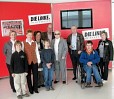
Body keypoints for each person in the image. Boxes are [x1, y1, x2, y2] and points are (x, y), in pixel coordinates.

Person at [22, 29, 41, 94]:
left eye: (31, 35)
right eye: (29, 35)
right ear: (26, 35)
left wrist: (38, 61)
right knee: (28, 76)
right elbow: (22, 53)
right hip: (27, 62)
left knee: (35, 75)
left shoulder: (34, 42)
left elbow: (37, 52)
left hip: (34, 61)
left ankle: (35, 88)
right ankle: (30, 89)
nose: (30, 36)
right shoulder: (23, 43)